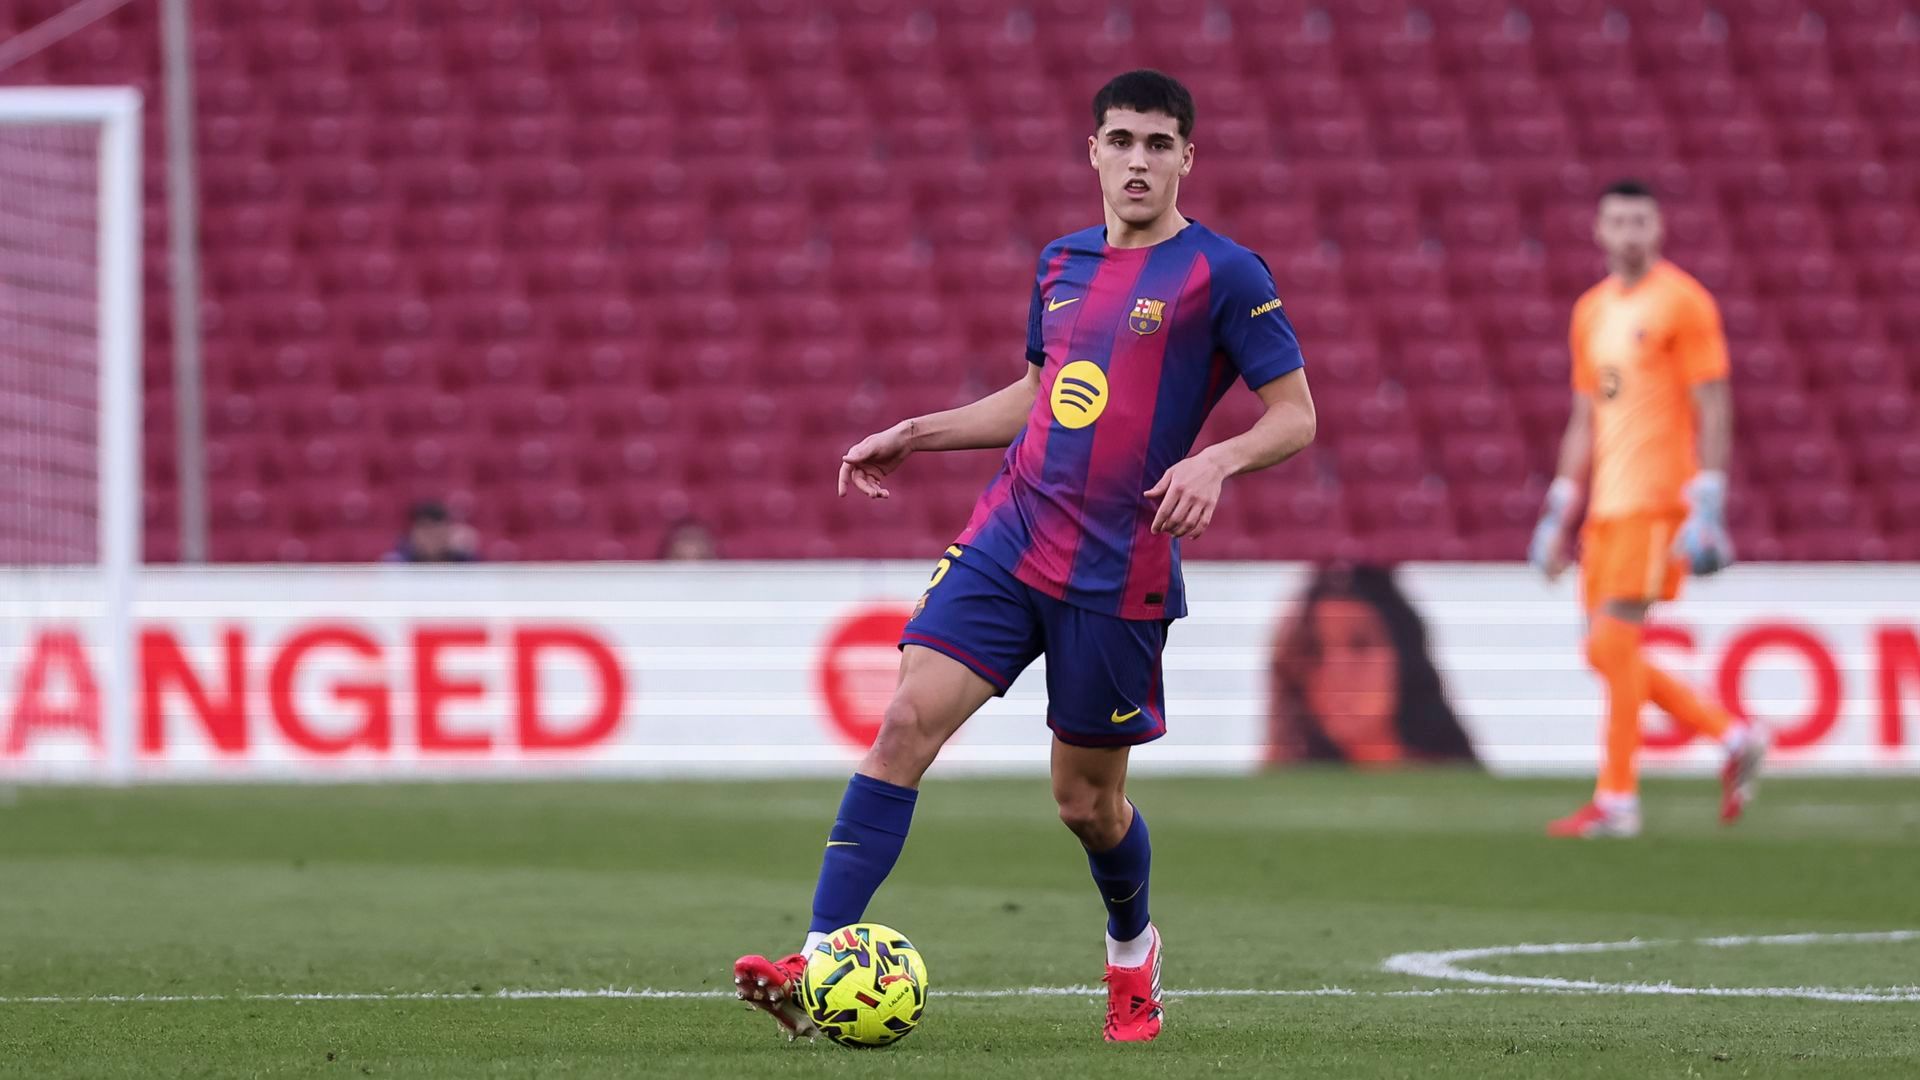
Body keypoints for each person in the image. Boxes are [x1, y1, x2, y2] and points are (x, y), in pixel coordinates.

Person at [733, 71, 1316, 1043]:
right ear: (1093, 151)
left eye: (1158, 144)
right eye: (1121, 141)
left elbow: (1296, 415)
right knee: (904, 723)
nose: (1138, 161)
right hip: (1010, 534)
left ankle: (1131, 949)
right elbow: (1042, 394)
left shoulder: (1226, 274)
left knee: (1086, 805)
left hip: (1117, 568)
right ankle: (816, 956)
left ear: (1187, 157)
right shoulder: (1061, 262)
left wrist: (1216, 459)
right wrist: (919, 431)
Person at [1529, 179, 1765, 840]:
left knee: (1614, 643)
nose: (1629, 233)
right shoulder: (1590, 311)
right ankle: (1733, 735)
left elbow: (1713, 401)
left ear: (1658, 229)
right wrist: (1560, 506)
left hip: (1658, 499)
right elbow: (1585, 415)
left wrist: (1709, 497)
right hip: (1607, 506)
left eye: (1640, 221)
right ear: (1598, 230)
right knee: (1604, 653)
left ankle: (1618, 800)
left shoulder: (1683, 302)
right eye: (1618, 221)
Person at [1266, 564, 1477, 767]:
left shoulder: (1455, 781)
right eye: (1314, 651)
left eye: (1360, 645)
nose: (1338, 674)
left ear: (1403, 655)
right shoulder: (1281, 785)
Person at [383, 500, 476, 563]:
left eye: (437, 533)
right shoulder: (397, 564)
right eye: (426, 531)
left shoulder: (465, 563)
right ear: (412, 534)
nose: (432, 538)